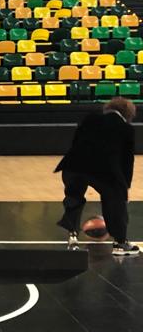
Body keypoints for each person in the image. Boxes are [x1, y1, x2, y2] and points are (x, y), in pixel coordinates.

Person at [56, 96, 138, 255]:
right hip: (103, 170)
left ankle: (72, 238)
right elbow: (127, 161)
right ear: (128, 113)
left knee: (73, 198)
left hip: (73, 165)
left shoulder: (90, 119)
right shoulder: (126, 129)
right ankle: (120, 243)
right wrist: (124, 188)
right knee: (115, 201)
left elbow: (75, 143)